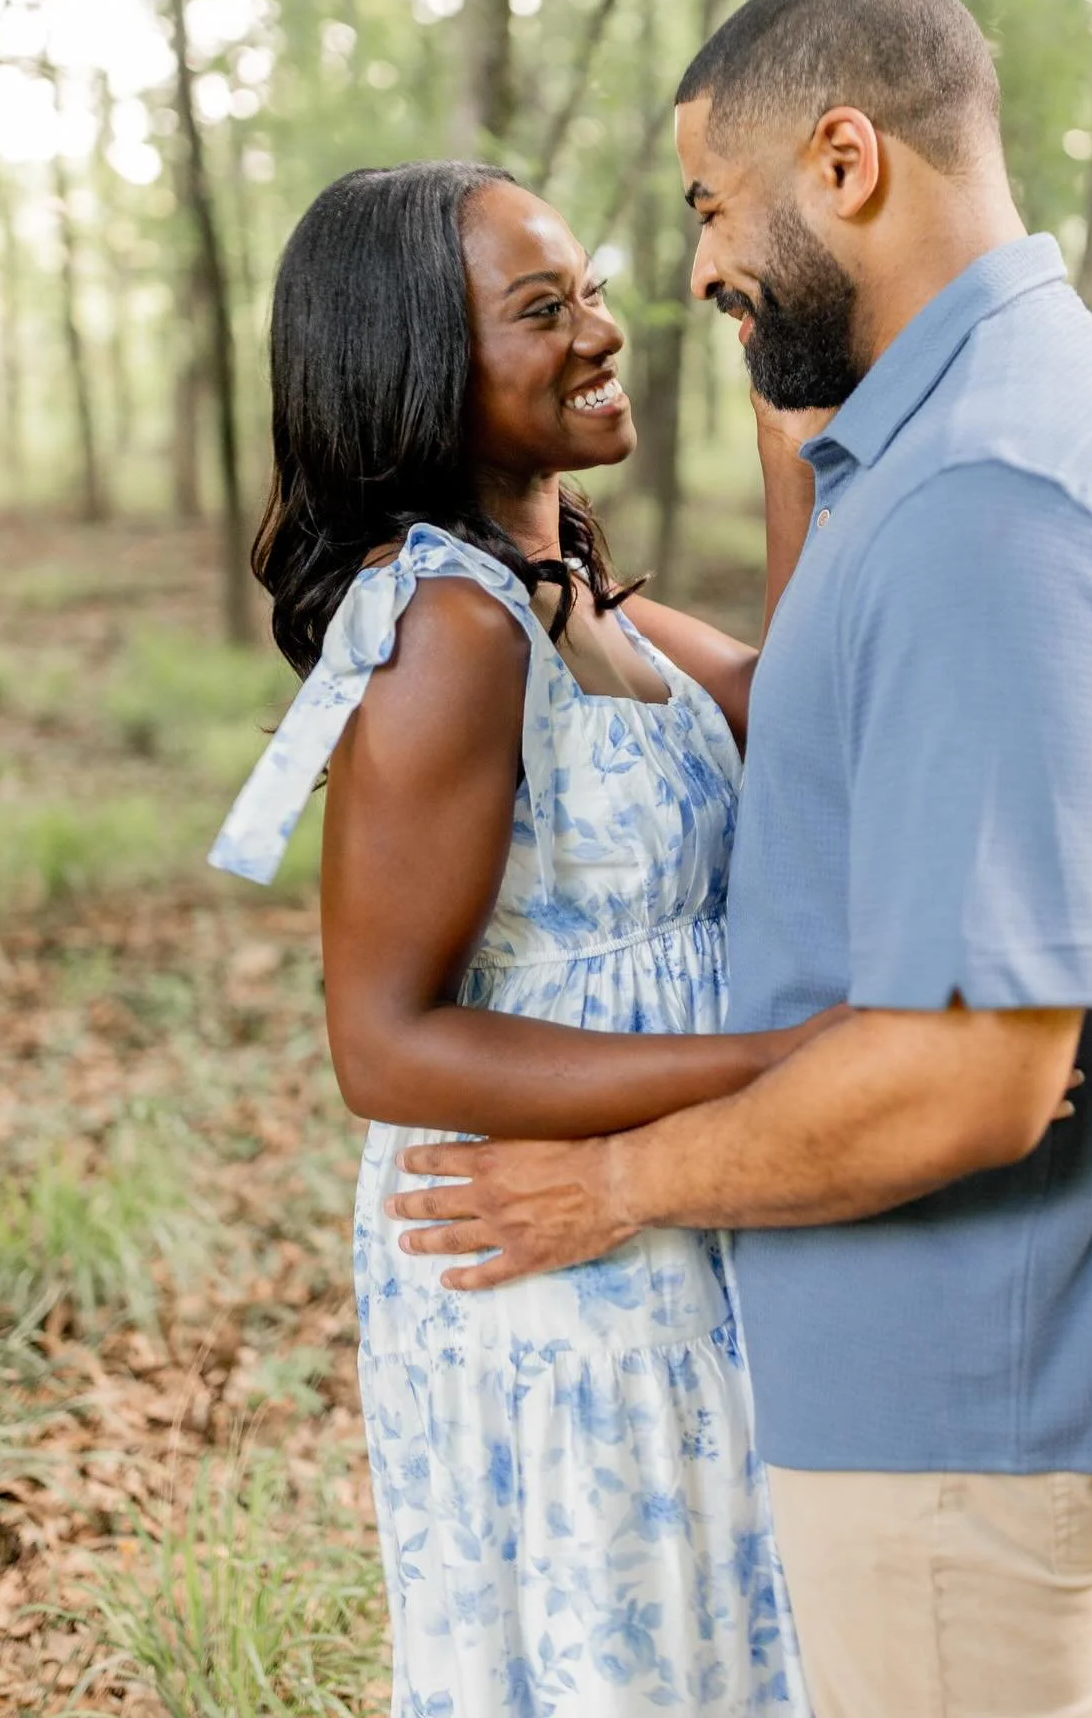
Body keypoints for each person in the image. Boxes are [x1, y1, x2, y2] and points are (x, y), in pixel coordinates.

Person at [384, 0, 1092, 1718]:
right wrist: (778, 417)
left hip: (959, 1395)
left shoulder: (985, 506)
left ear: (845, 162)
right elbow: (820, 704)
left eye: (712, 208)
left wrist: (612, 1186)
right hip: (942, 1374)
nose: (697, 268)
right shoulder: (998, 422)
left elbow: (973, 1074)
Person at [207, 161, 847, 1715]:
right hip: (543, 1261)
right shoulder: (447, 631)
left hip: (664, 1214)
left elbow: (808, 712)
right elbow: (384, 1040)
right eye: (540, 310)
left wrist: (789, 432)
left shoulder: (571, 594)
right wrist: (782, 1065)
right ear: (424, 365)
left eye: (596, 291)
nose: (600, 331)